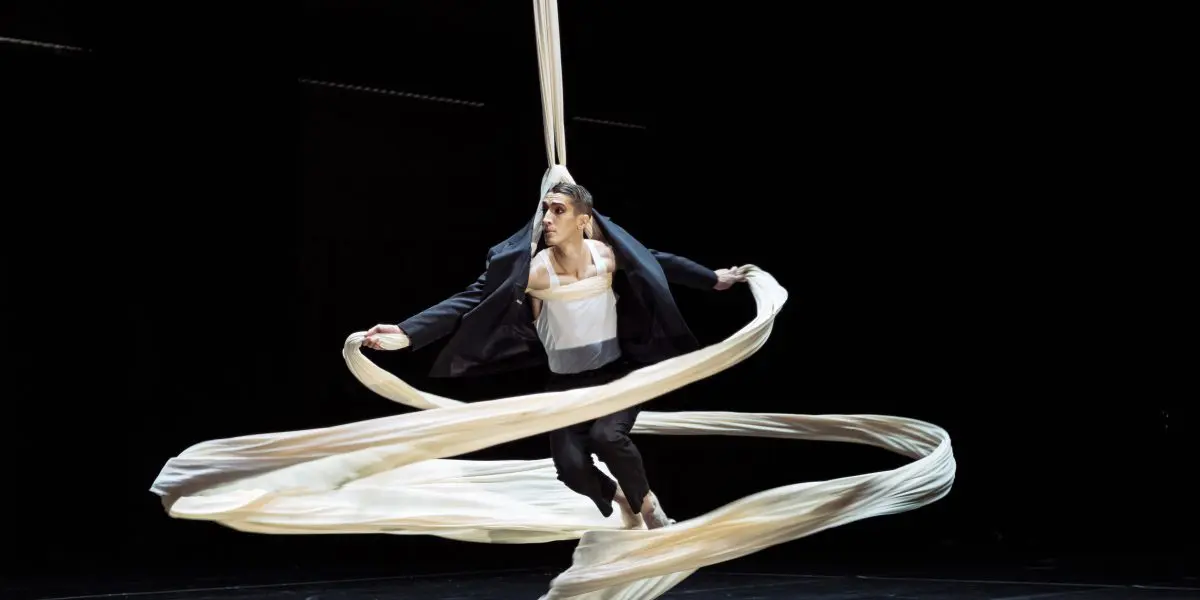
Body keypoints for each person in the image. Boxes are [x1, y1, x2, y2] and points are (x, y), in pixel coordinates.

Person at [363, 181, 746, 529]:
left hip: (618, 375)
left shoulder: (606, 257)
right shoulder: (536, 272)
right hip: (565, 385)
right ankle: (621, 497)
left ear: (583, 220)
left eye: (558, 210)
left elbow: (658, 261)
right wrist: (407, 331)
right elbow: (471, 298)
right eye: (545, 209)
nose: (546, 218)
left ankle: (648, 508)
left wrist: (713, 279)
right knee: (571, 469)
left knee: (607, 437)